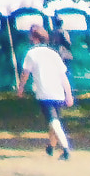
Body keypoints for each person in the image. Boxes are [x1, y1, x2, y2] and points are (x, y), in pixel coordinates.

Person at [19, 25, 74, 161]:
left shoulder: (31, 54)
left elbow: (25, 74)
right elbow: (63, 76)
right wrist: (69, 94)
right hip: (58, 92)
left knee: (53, 121)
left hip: (44, 92)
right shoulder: (53, 53)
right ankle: (51, 146)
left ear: (34, 38)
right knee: (54, 121)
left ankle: (66, 149)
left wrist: (20, 88)